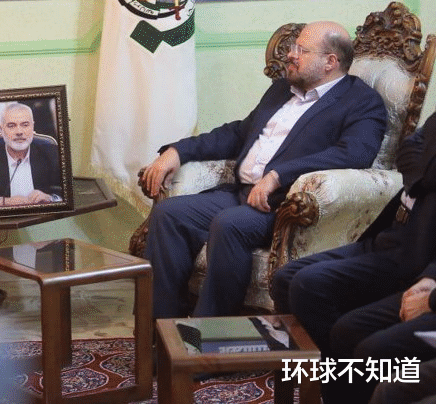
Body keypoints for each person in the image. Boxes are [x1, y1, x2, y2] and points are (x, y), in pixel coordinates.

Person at [140, 20, 387, 319]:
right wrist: (177, 151)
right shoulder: (282, 89)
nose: (291, 54)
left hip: (284, 206)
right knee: (169, 214)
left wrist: (278, 176)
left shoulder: (361, 102)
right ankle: (162, 327)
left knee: (229, 224)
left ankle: (212, 334)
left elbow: (355, 153)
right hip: (240, 194)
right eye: (293, 47)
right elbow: (237, 133)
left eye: (302, 50)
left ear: (330, 62)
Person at [272, 110, 436, 404]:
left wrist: (424, 168)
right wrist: (425, 172)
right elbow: (408, 149)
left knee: (310, 286)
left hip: (415, 250)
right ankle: (316, 385)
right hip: (391, 231)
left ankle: (333, 390)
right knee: (285, 278)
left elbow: (423, 161)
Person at [0, 102, 62, 207]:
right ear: (1, 129)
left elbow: (65, 190)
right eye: (11, 126)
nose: (19, 132)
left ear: (32, 126)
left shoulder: (51, 152)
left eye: (25, 125)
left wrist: (51, 198)